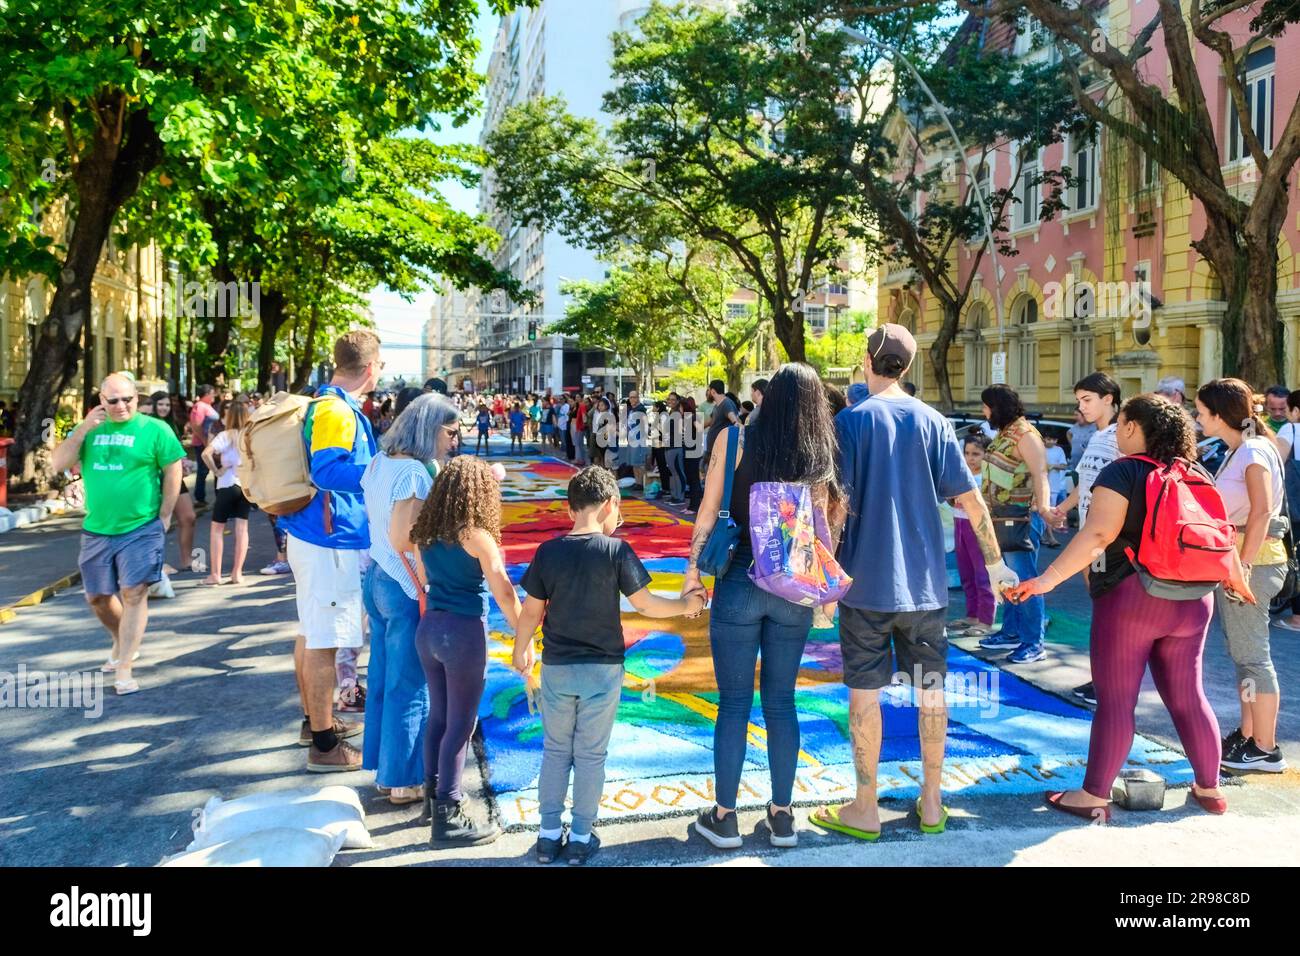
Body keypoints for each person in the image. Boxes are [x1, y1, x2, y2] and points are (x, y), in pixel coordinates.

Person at [812, 324, 1017, 840]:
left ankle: (864, 807)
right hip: (925, 588)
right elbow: (970, 503)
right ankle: (931, 802)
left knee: (864, 694)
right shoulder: (934, 423)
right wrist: (995, 568)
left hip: (862, 587)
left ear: (867, 361)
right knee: (932, 692)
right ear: (907, 367)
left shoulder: (850, 422)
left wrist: (824, 583)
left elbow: (835, 509)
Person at [1006, 394, 1249, 820]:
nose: (1116, 433)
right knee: (1190, 696)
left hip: (1133, 599)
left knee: (1117, 702)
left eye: (1120, 424)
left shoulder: (1122, 471)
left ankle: (1093, 796)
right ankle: (1210, 790)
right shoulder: (1196, 472)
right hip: (1195, 600)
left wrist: (1046, 580)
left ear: (1134, 427)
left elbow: (1098, 535)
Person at [682, 363, 844, 850]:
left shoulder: (733, 441)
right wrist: (825, 593)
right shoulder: (816, 454)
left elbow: (708, 511)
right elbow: (822, 529)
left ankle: (725, 818)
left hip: (738, 580)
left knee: (733, 703)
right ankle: (782, 817)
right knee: (781, 702)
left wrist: (693, 576)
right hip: (792, 588)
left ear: (768, 397)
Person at [514, 467, 706, 863]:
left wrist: (520, 650)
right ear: (608, 506)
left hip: (557, 668)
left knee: (554, 750)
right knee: (590, 755)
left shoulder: (548, 551)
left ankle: (548, 836)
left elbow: (531, 611)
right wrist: (687, 605)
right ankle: (581, 837)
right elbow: (646, 604)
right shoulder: (616, 551)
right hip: (602, 670)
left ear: (571, 511)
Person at [278, 331, 382, 772]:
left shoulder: (328, 403)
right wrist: (382, 469)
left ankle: (314, 723)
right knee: (323, 641)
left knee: (310, 631)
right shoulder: (337, 410)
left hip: (315, 534)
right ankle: (324, 747)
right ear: (372, 368)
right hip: (329, 539)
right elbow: (328, 470)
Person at [410, 456, 522, 846]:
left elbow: (425, 581)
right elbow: (503, 589)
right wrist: (524, 626)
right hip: (462, 634)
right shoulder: (476, 535)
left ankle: (433, 798)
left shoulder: (423, 533)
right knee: (462, 724)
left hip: (429, 630)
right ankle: (449, 814)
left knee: (439, 717)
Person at [51, 373, 185, 695]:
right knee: (96, 597)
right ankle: (120, 638)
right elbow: (58, 463)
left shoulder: (155, 429)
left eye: (128, 398)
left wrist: (165, 514)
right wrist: (83, 429)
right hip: (97, 529)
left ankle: (124, 666)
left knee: (134, 592)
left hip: (141, 526)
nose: (122, 405)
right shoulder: (89, 432)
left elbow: (173, 470)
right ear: (102, 401)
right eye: (114, 400)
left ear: (137, 398)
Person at [360, 394, 460, 807]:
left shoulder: (380, 462)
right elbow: (407, 539)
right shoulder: (415, 473)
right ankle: (403, 780)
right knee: (411, 684)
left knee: (384, 678)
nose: (454, 441)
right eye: (451, 432)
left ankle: (387, 772)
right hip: (404, 585)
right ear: (430, 428)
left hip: (377, 577)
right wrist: (432, 587)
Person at [1196, 379, 1289, 773]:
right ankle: (1250, 735)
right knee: (1243, 657)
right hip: (1240, 562)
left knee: (1253, 657)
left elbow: (1262, 510)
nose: (1197, 419)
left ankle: (1266, 748)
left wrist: (1244, 567)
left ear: (1219, 415)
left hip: (1254, 564)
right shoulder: (1243, 448)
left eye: (1201, 412)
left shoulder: (1252, 449)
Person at [1048, 373, 1123, 701]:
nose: (1081, 407)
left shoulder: (1122, 435)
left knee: (1110, 615)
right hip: (1087, 537)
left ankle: (1110, 684)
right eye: (1079, 400)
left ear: (1109, 399)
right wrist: (1062, 508)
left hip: (1107, 539)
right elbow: (1088, 482)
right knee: (1101, 612)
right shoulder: (1096, 436)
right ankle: (1101, 679)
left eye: (1087, 400)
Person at [974, 384, 1054, 664]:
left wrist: (1043, 507)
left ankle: (1033, 642)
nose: (983, 412)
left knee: (1027, 580)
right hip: (1001, 517)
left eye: (986, 406)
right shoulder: (1006, 434)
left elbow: (1040, 472)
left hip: (1021, 518)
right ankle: (1010, 632)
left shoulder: (1025, 434)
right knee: (1007, 577)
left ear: (997, 406)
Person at [948, 435, 997, 638]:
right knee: (966, 574)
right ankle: (972, 615)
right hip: (959, 524)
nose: (971, 458)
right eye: (967, 453)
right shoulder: (962, 474)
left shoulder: (987, 478)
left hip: (978, 529)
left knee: (982, 575)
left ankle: (986, 620)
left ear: (986, 455)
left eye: (976, 454)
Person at [200, 399, 252, 585]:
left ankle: (215, 574)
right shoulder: (250, 436)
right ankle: (237, 573)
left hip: (227, 483)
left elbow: (206, 453)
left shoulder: (225, 435)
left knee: (217, 529)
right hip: (245, 485)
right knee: (242, 528)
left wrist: (216, 470)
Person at [148, 391, 197, 574]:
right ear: (153, 405)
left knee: (189, 517)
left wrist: (183, 465)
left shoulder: (172, 424)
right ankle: (157, 564)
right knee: (156, 522)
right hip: (154, 480)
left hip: (174, 477)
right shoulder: (148, 425)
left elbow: (175, 453)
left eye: (167, 405)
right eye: (160, 404)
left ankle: (187, 560)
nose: (164, 408)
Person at [1273, 390, 1300, 631]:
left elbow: (1276, 464)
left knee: (1295, 557)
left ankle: (1298, 617)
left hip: (1296, 507)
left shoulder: (1290, 430)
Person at [188, 384, 219, 504]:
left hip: (209, 443)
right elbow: (196, 426)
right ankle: (200, 497)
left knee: (207, 470)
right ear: (206, 394)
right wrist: (206, 442)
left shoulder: (206, 406)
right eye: (212, 393)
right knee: (203, 470)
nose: (213, 396)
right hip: (203, 444)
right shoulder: (199, 406)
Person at [701, 379, 739, 471]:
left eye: (709, 390)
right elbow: (710, 422)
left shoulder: (726, 404)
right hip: (712, 450)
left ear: (713, 391)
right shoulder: (717, 405)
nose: (708, 392)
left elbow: (735, 421)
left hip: (720, 451)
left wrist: (736, 423)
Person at [1042, 434, 1068, 547]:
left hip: (1054, 486)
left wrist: (1052, 466)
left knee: (1048, 512)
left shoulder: (1059, 450)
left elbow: (1064, 466)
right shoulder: (1039, 448)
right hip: (1041, 486)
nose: (1051, 441)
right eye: (1048, 439)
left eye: (1053, 439)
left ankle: (1048, 536)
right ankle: (1049, 537)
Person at [663, 392, 688, 505]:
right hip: (669, 446)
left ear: (678, 401)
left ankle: (680, 496)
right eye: (669, 399)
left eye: (673, 399)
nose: (671, 401)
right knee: (673, 472)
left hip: (676, 446)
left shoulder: (678, 413)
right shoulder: (671, 413)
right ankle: (674, 495)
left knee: (678, 472)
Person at [681, 396, 703, 512]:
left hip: (692, 451)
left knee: (694, 479)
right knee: (691, 478)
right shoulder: (687, 418)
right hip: (688, 450)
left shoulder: (691, 417)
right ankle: (692, 505)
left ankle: (695, 506)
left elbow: (700, 429)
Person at [1066, 408, 1095, 476]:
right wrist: (1073, 446)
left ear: (1084, 415)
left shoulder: (1094, 427)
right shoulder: (1076, 426)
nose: (1074, 417)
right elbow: (1068, 433)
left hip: (1087, 466)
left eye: (1076, 415)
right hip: (1073, 465)